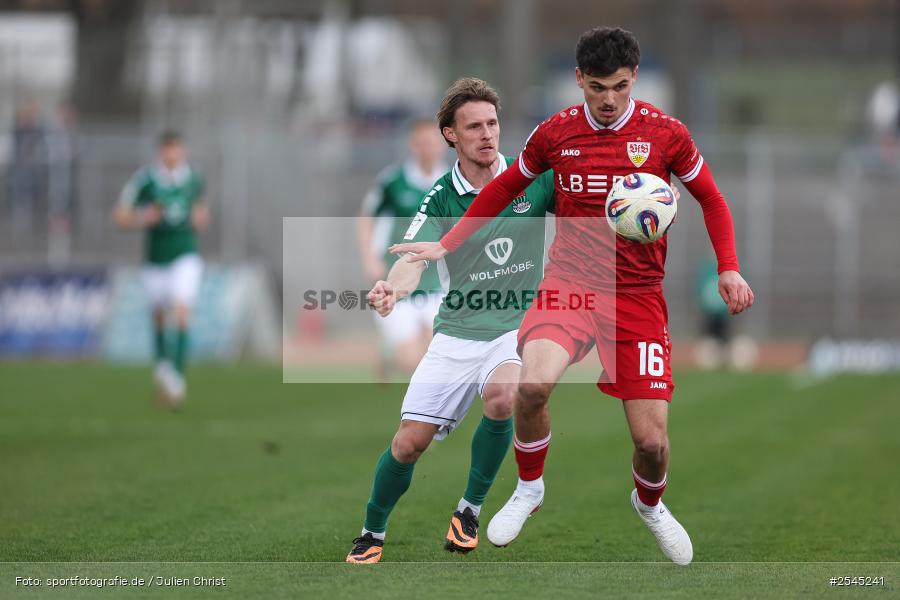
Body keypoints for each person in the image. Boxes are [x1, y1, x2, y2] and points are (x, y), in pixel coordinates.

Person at [391, 27, 754, 565]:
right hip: (570, 285)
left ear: (633, 80)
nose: (610, 100)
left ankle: (650, 504)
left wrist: (729, 269)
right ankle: (530, 488)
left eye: (622, 87)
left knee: (651, 444)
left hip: (636, 296)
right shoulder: (555, 134)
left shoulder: (665, 134)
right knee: (530, 386)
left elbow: (712, 199)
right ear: (579, 80)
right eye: (599, 87)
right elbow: (503, 188)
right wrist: (447, 244)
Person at [345, 78, 555, 563]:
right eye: (474, 126)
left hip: (514, 326)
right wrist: (390, 290)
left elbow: (586, 208)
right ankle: (372, 531)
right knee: (408, 444)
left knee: (505, 396)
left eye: (493, 123)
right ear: (450, 136)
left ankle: (469, 509)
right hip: (457, 331)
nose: (487, 134)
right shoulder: (441, 197)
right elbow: (412, 256)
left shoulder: (530, 178)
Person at [113, 131, 209, 406]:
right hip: (155, 259)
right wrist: (143, 217)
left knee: (181, 310)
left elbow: (202, 212)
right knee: (157, 315)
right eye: (167, 150)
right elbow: (119, 215)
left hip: (185, 255)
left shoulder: (194, 179)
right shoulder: (147, 180)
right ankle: (163, 369)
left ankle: (177, 379)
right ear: (160, 153)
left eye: (176, 150)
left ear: (183, 152)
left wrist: (200, 218)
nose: (172, 156)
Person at [355, 120, 448, 376]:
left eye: (431, 142)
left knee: (435, 357)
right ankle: (390, 350)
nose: (426, 148)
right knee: (410, 361)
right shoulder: (393, 182)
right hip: (399, 280)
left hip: (436, 284)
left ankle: (429, 412)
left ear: (442, 144)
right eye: (420, 143)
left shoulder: (451, 182)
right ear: (412, 145)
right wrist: (370, 258)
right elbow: (365, 216)